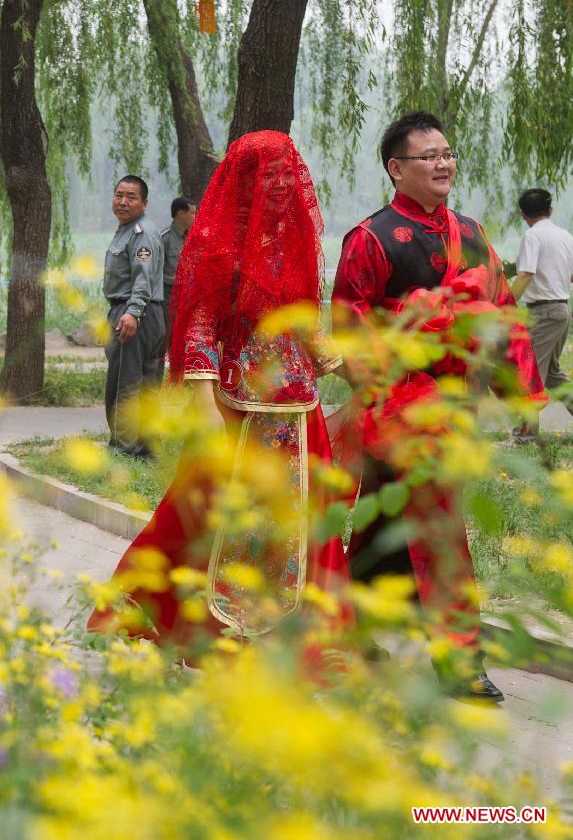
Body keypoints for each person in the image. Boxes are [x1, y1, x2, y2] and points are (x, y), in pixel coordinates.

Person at [89, 132, 350, 656]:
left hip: (297, 408)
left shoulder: (294, 240)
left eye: (284, 171)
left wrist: (331, 354)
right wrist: (204, 402)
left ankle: (305, 636)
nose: (278, 183)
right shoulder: (220, 243)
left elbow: (298, 312)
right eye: (265, 173)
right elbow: (200, 327)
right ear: (244, 180)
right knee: (207, 512)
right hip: (235, 405)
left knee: (302, 519)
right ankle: (203, 625)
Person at [332, 111, 544, 701]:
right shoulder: (370, 238)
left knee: (380, 527)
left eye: (448, 153)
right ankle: (460, 664)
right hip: (398, 411)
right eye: (429, 156)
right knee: (441, 530)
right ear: (396, 169)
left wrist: (521, 392)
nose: (444, 163)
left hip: (455, 409)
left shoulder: (471, 232)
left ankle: (349, 634)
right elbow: (349, 330)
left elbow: (502, 310)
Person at [103, 175, 165, 457]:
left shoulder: (141, 233)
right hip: (147, 313)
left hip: (134, 313)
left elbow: (143, 278)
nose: (123, 202)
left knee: (124, 384)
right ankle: (146, 447)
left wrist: (132, 313)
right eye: (119, 195)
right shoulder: (127, 230)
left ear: (144, 203)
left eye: (131, 197)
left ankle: (123, 449)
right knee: (147, 384)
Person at [512, 189, 573, 425]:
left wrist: (507, 303)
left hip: (544, 312)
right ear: (550, 210)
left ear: (522, 214)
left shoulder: (533, 236)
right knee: (553, 374)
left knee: (529, 374)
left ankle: (524, 434)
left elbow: (526, 274)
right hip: (562, 310)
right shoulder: (565, 236)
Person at [158, 197, 196, 379]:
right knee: (165, 340)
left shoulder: (192, 238)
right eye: (192, 212)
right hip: (167, 299)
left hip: (186, 299)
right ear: (180, 214)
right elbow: (156, 271)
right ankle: (161, 380)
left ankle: (179, 379)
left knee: (182, 342)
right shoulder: (164, 238)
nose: (195, 217)